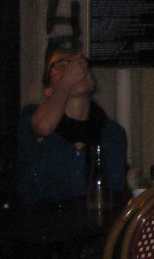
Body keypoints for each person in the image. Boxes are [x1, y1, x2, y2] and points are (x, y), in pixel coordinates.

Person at [16, 41, 128, 206]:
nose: (74, 71)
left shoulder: (112, 132)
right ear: (48, 89)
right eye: (62, 66)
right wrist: (66, 83)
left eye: (80, 65)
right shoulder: (32, 118)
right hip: (44, 220)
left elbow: (115, 191)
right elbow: (43, 127)